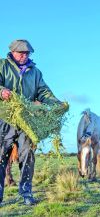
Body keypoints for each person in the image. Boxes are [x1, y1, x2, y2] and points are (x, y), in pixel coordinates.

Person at [0, 39, 62, 205]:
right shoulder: (2, 66)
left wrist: (56, 104)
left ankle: (26, 193)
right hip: (5, 119)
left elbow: (43, 92)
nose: (24, 56)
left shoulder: (35, 72)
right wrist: (1, 91)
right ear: (13, 52)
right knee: (1, 156)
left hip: (27, 121)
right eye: (21, 53)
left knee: (27, 156)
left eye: (27, 53)